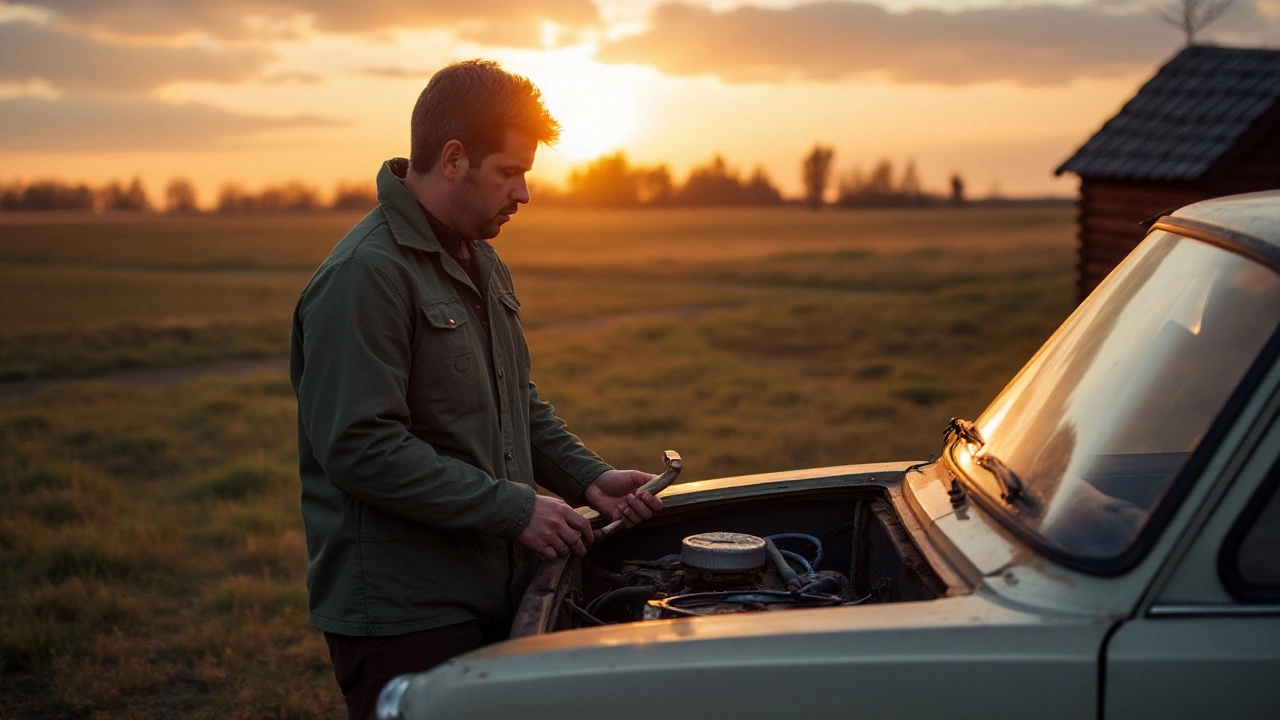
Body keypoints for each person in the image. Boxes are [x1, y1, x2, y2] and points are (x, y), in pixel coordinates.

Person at [289, 59, 663, 720]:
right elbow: (358, 447)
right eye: (511, 173)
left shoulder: (477, 255)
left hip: (498, 591)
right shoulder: (364, 276)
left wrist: (586, 479)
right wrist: (515, 509)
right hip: (407, 616)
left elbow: (514, 398)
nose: (523, 195)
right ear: (455, 158)